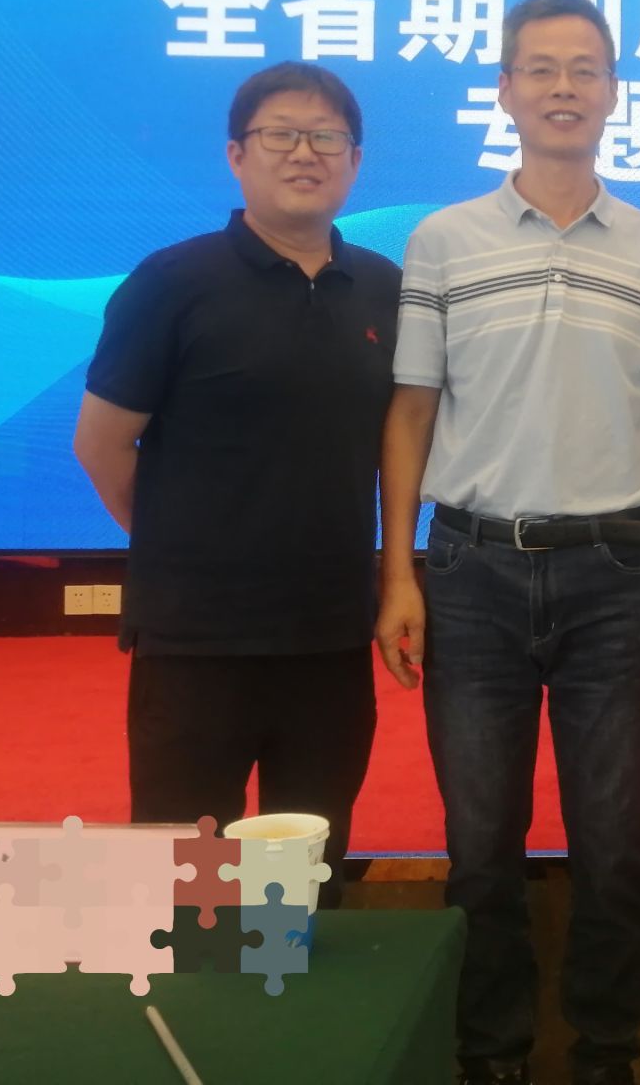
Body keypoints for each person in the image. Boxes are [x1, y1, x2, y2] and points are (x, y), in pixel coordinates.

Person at [375, 0, 640, 1085]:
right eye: (541, 68)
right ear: (506, 89)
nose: (564, 88)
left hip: (618, 574)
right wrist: (399, 573)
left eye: (585, 69)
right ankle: (491, 1056)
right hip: (469, 571)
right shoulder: (442, 240)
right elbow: (411, 412)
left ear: (613, 92)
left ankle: (607, 1055)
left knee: (613, 850)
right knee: (479, 851)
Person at [73, 61, 399, 904]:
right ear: (236, 155)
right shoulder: (172, 282)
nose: (305, 152)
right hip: (197, 641)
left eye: (326, 137)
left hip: (330, 638)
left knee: (306, 890)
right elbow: (102, 444)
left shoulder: (386, 289)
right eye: (280, 134)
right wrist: (185, 542)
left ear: (355, 161)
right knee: (188, 891)